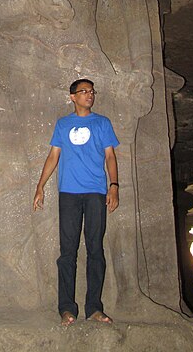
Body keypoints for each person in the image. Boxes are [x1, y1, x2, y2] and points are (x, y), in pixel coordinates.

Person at [33, 78, 120, 326]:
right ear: (72, 97)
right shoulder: (63, 124)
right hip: (68, 194)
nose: (89, 95)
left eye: (92, 92)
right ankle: (66, 308)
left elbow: (110, 156)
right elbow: (53, 156)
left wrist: (113, 186)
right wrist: (40, 186)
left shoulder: (102, 123)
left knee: (95, 250)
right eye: (84, 92)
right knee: (67, 253)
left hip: (95, 192)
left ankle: (94, 307)